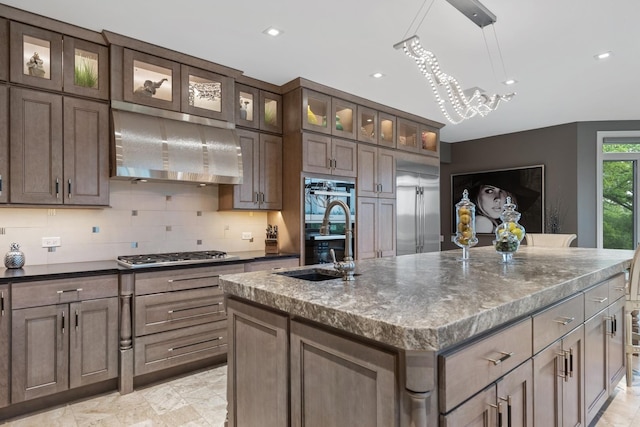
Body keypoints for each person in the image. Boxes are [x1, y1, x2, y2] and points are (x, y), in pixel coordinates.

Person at [467, 170, 541, 234]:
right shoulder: (482, 223)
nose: (498, 198)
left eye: (502, 192)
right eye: (489, 191)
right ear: (477, 195)